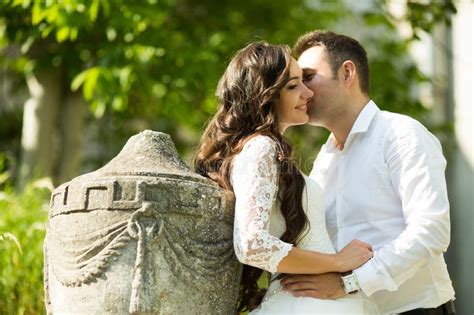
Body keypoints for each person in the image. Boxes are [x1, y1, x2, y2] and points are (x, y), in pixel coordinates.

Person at [194, 41, 378, 314]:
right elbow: (252, 244)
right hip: (305, 303)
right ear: (265, 95)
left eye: (305, 81)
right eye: (293, 86)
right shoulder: (261, 147)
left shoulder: (264, 148)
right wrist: (338, 262)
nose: (307, 93)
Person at [281, 30, 456, 315]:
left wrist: (350, 283)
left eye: (309, 77)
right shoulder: (324, 159)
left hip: (415, 309)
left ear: (347, 73)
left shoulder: (401, 134)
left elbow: (431, 231)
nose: (303, 92)